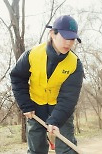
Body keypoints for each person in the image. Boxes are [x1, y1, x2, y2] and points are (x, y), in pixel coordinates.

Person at [10, 15, 84, 154]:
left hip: (61, 110)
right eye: (65, 37)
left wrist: (56, 120)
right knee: (36, 150)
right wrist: (25, 105)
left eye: (72, 39)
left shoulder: (75, 65)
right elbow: (17, 78)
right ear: (52, 34)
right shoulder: (32, 55)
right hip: (35, 108)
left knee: (67, 150)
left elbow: (69, 98)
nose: (68, 43)